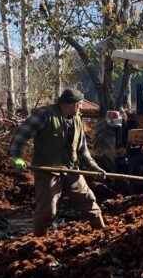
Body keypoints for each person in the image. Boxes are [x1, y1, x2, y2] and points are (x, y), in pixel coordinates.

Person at [9, 88, 106, 235]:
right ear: (71, 104)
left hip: (71, 169)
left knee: (88, 202)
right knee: (47, 210)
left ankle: (103, 234)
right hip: (47, 171)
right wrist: (17, 157)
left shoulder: (76, 120)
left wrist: (95, 168)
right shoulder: (44, 114)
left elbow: (82, 151)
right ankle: (39, 241)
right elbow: (20, 135)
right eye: (79, 104)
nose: (81, 107)